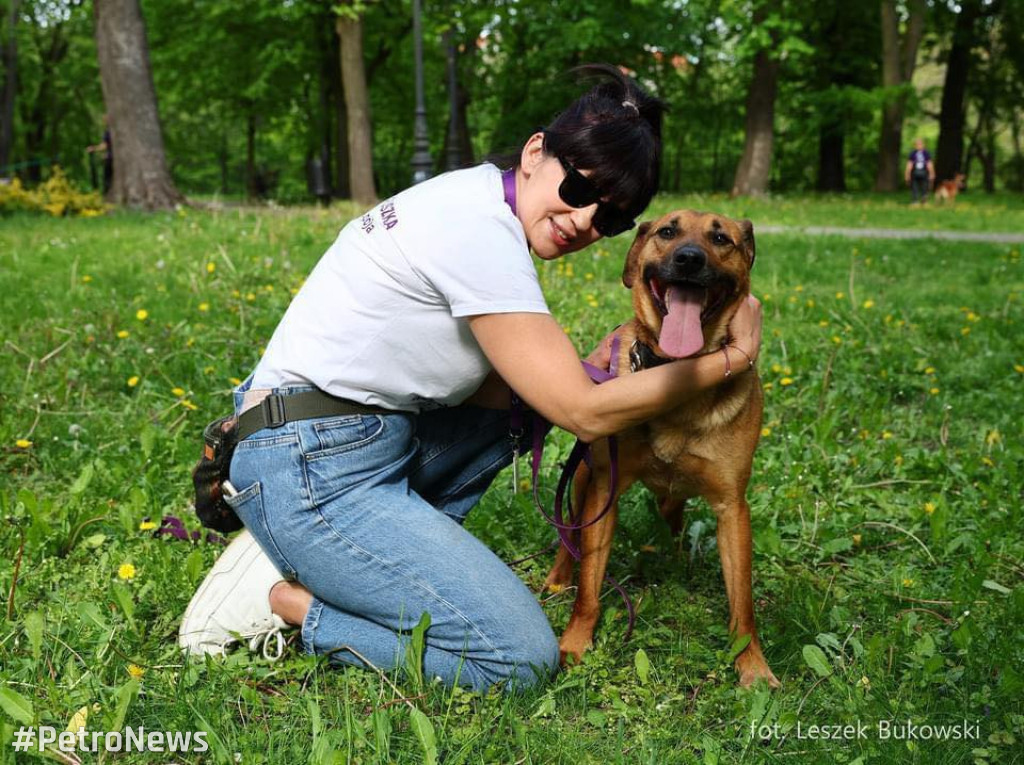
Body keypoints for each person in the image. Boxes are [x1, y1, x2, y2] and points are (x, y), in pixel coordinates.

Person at [178, 65, 764, 691]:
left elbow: (535, 389)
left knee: (522, 403)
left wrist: (593, 374)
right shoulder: (477, 231)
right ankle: (292, 603)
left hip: (344, 439)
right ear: (536, 151)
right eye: (578, 185)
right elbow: (585, 414)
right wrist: (728, 360)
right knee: (516, 659)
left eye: (609, 218)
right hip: (308, 463)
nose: (583, 219)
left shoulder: (476, 201)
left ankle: (343, 553)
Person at [86, 114, 113, 194]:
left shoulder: (108, 132)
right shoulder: (110, 131)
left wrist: (94, 149)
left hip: (110, 158)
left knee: (107, 179)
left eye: (105, 120)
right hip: (111, 157)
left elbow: (105, 145)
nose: (104, 122)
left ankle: (107, 193)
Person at [905, 137, 934, 205]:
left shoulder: (926, 153)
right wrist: (907, 174)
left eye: (920, 144)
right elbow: (909, 164)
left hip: (924, 172)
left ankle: (924, 200)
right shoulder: (912, 153)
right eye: (917, 144)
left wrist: (932, 173)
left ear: (923, 145)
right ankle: (915, 201)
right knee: (914, 187)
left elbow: (929, 164)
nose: (919, 146)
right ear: (914, 145)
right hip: (915, 172)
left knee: (925, 186)